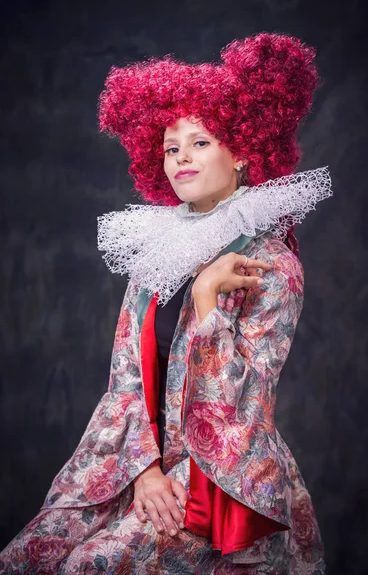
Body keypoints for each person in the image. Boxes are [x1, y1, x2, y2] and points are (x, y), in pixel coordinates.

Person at [0, 32, 332, 574]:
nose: (180, 158)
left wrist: (205, 299)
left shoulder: (271, 262)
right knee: (26, 560)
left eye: (200, 143)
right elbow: (126, 377)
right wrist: (143, 470)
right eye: (170, 148)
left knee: (90, 565)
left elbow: (243, 402)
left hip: (219, 472)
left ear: (244, 152)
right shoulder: (159, 254)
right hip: (139, 461)